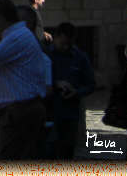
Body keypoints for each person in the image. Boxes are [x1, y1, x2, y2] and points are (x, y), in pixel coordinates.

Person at [0, 0, 48, 159]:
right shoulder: (14, 37)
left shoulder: (18, 37)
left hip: (22, 112)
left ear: (0, 19)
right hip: (18, 112)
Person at [49, 22, 95, 159]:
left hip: (71, 113)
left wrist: (77, 92)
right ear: (56, 37)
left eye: (68, 44)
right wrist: (55, 83)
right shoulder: (46, 55)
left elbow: (91, 84)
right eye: (62, 43)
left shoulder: (80, 57)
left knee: (67, 152)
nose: (65, 47)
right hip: (50, 111)